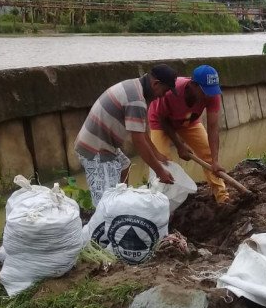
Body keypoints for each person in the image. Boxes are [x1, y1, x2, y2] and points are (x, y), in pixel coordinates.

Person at [74, 65, 177, 208]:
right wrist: (159, 171)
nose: (163, 95)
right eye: (164, 91)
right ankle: (110, 217)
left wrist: (157, 154)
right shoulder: (137, 101)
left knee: (125, 166)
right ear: (156, 84)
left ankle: (122, 206)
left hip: (104, 143)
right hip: (95, 149)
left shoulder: (135, 86)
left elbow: (141, 132)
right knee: (105, 204)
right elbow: (139, 142)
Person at [149, 64, 229, 203]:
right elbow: (163, 119)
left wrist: (215, 161)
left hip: (189, 121)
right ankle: (162, 202)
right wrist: (180, 146)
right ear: (193, 85)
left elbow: (213, 127)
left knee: (208, 154)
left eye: (211, 91)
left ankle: (222, 197)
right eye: (204, 91)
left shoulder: (212, 95)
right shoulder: (171, 91)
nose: (208, 95)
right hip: (161, 122)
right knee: (162, 161)